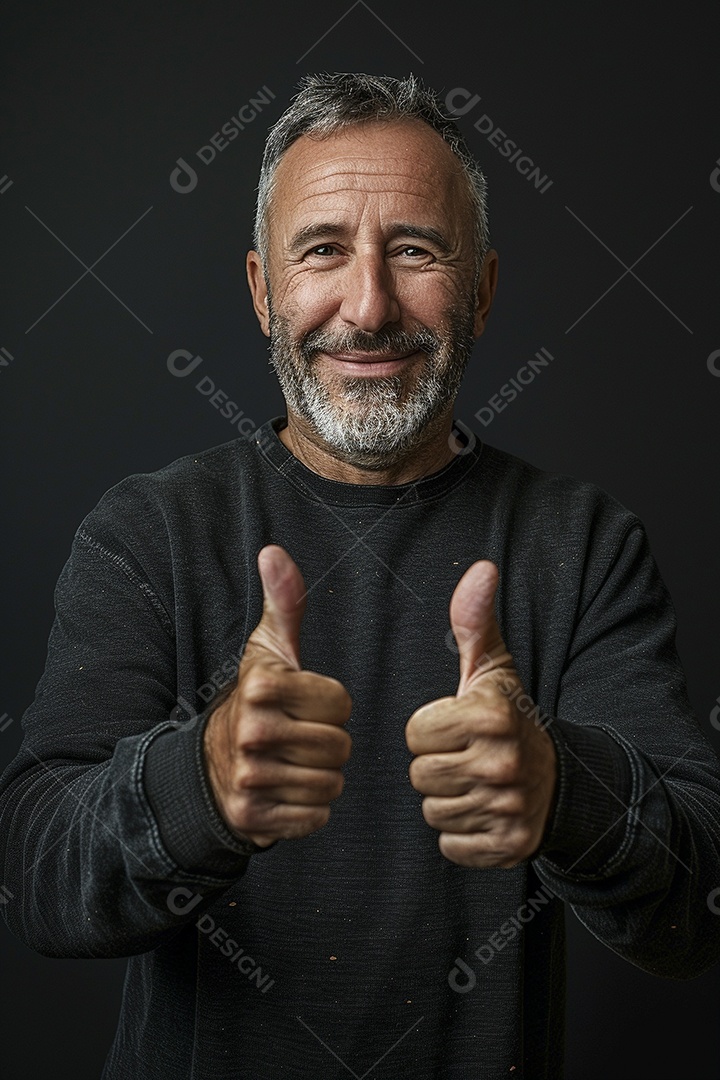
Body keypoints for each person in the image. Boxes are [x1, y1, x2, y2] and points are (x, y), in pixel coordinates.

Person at [1, 72, 719, 1080]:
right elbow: (37, 877)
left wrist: (566, 791)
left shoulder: (584, 543)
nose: (369, 305)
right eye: (323, 250)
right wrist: (194, 782)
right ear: (262, 290)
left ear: (482, 288)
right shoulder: (148, 532)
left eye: (416, 252)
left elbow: (699, 908)